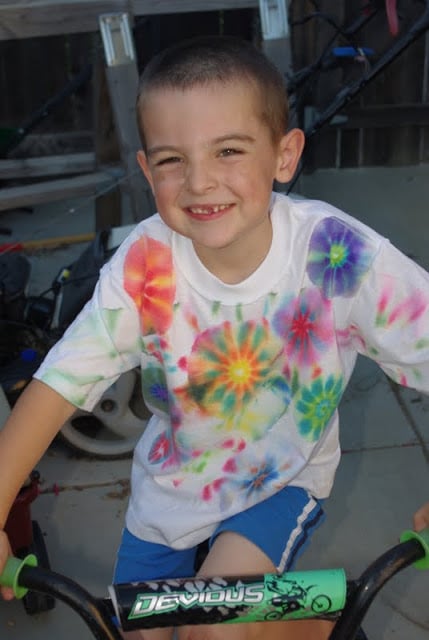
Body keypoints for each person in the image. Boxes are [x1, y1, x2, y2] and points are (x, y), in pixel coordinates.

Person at [0, 35, 429, 640]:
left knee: (212, 628)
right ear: (148, 170)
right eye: (173, 160)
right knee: (136, 632)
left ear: (284, 156)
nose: (200, 182)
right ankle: (312, 619)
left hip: (279, 479)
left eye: (228, 150)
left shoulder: (334, 254)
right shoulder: (146, 262)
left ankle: (320, 627)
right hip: (172, 489)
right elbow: (64, 380)